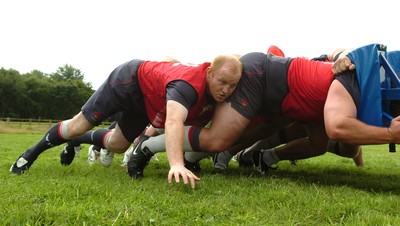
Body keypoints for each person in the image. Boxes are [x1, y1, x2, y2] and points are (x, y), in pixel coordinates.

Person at [136, 43, 399, 186]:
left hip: (286, 100)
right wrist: (389, 134)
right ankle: (147, 146)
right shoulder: (355, 73)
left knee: (318, 145)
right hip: (262, 77)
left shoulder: (362, 79)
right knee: (219, 139)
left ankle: (263, 158)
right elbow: (339, 128)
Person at [10, 55, 243, 189]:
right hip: (128, 81)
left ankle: (76, 141)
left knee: (117, 145)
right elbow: (173, 123)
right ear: (209, 72)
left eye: (232, 85)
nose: (226, 90)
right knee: (78, 124)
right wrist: (176, 164)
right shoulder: (188, 85)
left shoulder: (219, 92)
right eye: (222, 82)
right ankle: (32, 152)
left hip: (146, 101)